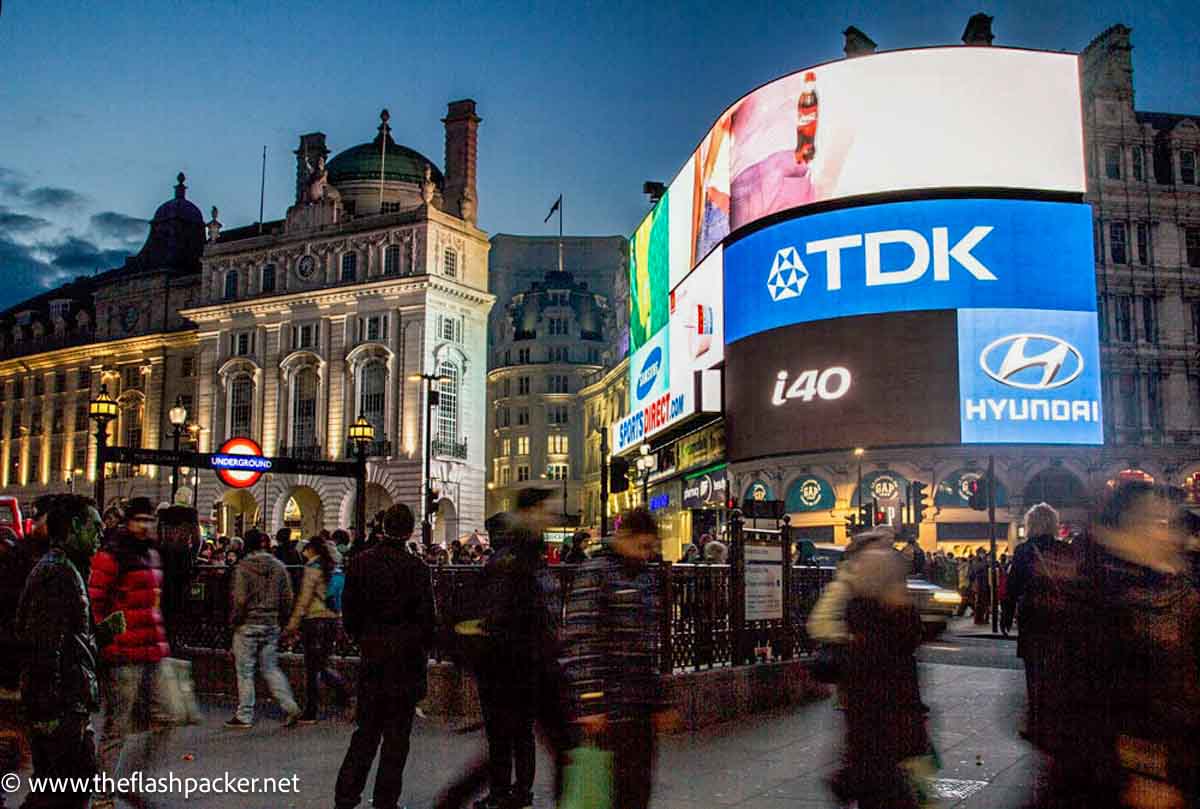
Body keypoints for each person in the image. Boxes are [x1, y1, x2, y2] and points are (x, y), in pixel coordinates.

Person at [16, 495, 125, 809]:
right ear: (74, 527)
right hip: (61, 704)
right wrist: (47, 711)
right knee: (61, 791)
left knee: (65, 786)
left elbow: (71, 640)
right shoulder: (58, 574)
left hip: (68, 702)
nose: (101, 536)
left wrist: (102, 633)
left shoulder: (68, 569)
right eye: (95, 527)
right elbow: (43, 645)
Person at [561, 507, 673, 809]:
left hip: (639, 707)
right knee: (613, 793)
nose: (647, 554)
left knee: (638, 791)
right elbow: (582, 641)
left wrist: (659, 701)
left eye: (652, 547)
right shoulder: (596, 572)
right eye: (643, 546)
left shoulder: (645, 576)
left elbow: (648, 646)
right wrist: (591, 703)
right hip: (610, 708)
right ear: (624, 538)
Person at [335, 504, 434, 809]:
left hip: (373, 657)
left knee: (366, 732)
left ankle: (346, 795)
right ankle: (385, 800)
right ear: (409, 531)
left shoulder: (360, 563)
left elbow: (349, 615)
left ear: (382, 527)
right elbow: (427, 621)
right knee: (396, 738)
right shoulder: (417, 569)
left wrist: (364, 639)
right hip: (406, 662)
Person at [87, 497, 170, 809]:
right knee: (117, 727)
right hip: (123, 653)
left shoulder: (150, 554)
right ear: (127, 522)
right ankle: (103, 792)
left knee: (164, 719)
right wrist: (107, 644)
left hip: (150, 649)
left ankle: (132, 780)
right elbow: (96, 605)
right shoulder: (112, 556)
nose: (146, 526)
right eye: (140, 520)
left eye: (150, 521)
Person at [226, 529, 300, 728]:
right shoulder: (279, 567)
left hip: (248, 624)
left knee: (245, 671)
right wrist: (283, 619)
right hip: (271, 623)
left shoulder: (243, 567)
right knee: (270, 668)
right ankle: (290, 706)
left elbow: (240, 599)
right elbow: (288, 597)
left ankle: (244, 714)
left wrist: (234, 620)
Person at [285, 536, 348, 723]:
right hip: (332, 621)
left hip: (315, 621)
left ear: (312, 550)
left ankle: (314, 709)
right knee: (322, 663)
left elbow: (304, 600)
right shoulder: (333, 568)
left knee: (313, 668)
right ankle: (341, 695)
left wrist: (292, 625)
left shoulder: (312, 569)